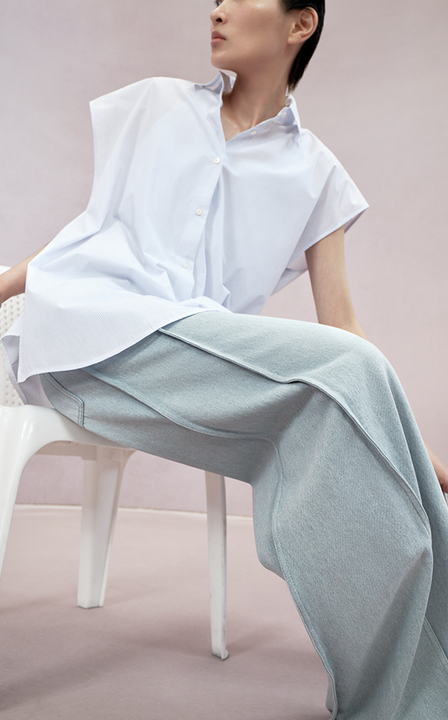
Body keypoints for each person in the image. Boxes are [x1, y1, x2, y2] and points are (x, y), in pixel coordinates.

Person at [1, 1, 448, 718]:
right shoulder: (154, 106)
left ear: (300, 25)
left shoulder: (318, 174)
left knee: (349, 433)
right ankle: (401, 699)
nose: (217, 9)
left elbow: (344, 324)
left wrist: (412, 444)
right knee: (340, 385)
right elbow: (82, 236)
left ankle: (412, 685)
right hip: (87, 339)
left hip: (192, 370)